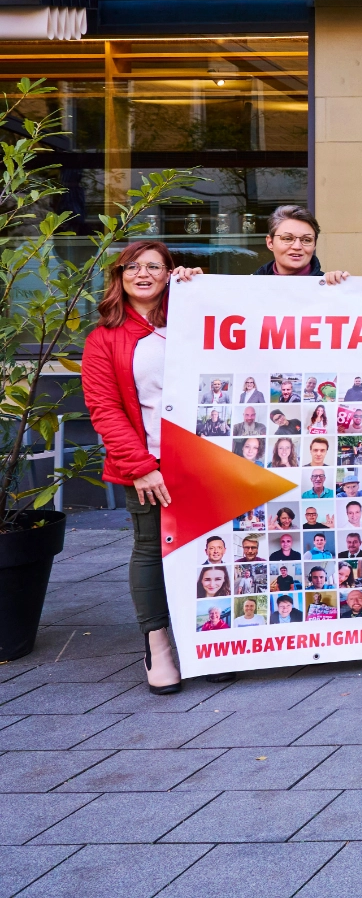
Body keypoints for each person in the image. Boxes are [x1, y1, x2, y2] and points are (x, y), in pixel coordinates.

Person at [80, 239, 196, 695]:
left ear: (170, 273)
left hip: (206, 460)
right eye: (133, 266)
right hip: (151, 462)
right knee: (151, 547)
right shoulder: (104, 338)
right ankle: (159, 644)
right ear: (120, 275)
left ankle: (212, 642)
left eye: (155, 266)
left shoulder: (192, 320)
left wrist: (200, 290)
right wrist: (140, 466)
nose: (143, 273)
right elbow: (104, 409)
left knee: (209, 546)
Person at [254, 206, 349, 283]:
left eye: (306, 240)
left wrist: (343, 287)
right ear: (270, 242)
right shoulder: (249, 286)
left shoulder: (331, 287)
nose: (297, 247)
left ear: (314, 244)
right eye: (287, 238)